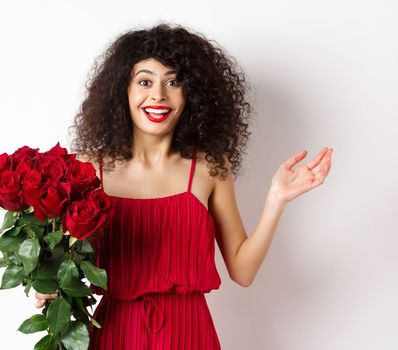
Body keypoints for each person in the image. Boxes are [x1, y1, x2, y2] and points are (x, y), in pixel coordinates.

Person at [32, 23, 333, 348]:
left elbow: (243, 272)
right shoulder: (87, 169)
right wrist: (46, 281)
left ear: (191, 93)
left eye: (173, 82)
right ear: (124, 91)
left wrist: (277, 199)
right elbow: (59, 259)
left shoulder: (209, 168)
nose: (158, 95)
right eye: (145, 81)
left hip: (189, 335)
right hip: (114, 334)